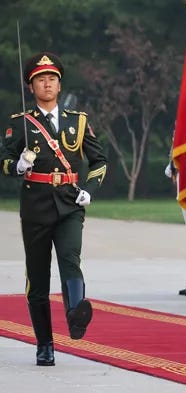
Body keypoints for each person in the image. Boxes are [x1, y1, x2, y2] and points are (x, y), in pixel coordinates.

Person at [0, 52, 107, 366]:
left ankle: (76, 314)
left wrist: (90, 189)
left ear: (60, 85)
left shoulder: (79, 120)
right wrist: (16, 165)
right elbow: (3, 159)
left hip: (70, 202)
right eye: (40, 80)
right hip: (35, 204)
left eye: (52, 79)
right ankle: (44, 344)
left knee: (70, 258)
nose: (47, 84)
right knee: (37, 276)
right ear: (31, 87)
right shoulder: (20, 123)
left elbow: (100, 160)